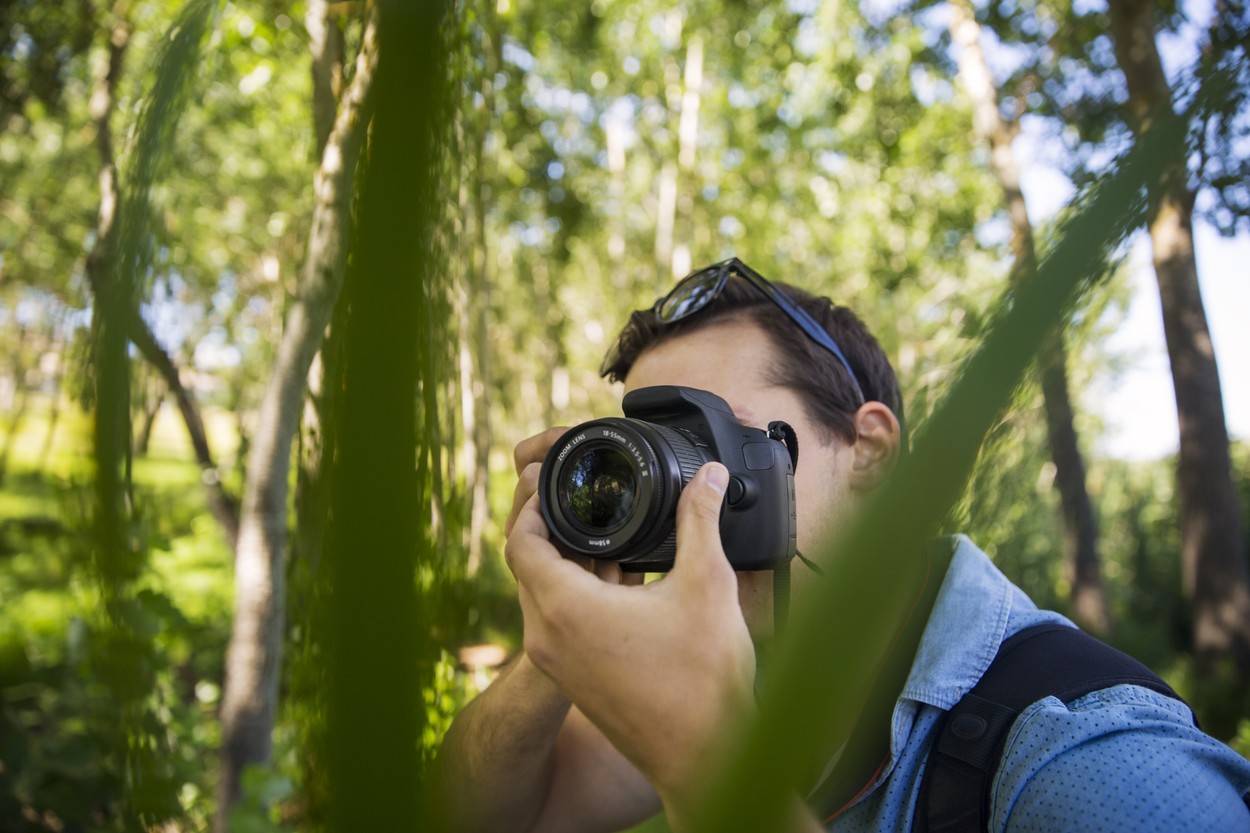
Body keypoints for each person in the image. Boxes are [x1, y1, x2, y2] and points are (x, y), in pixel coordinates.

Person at [433, 258, 1250, 832]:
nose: (681, 494)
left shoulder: (1087, 762)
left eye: (717, 440)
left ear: (868, 453)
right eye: (650, 454)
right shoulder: (734, 668)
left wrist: (702, 755)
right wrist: (551, 652)